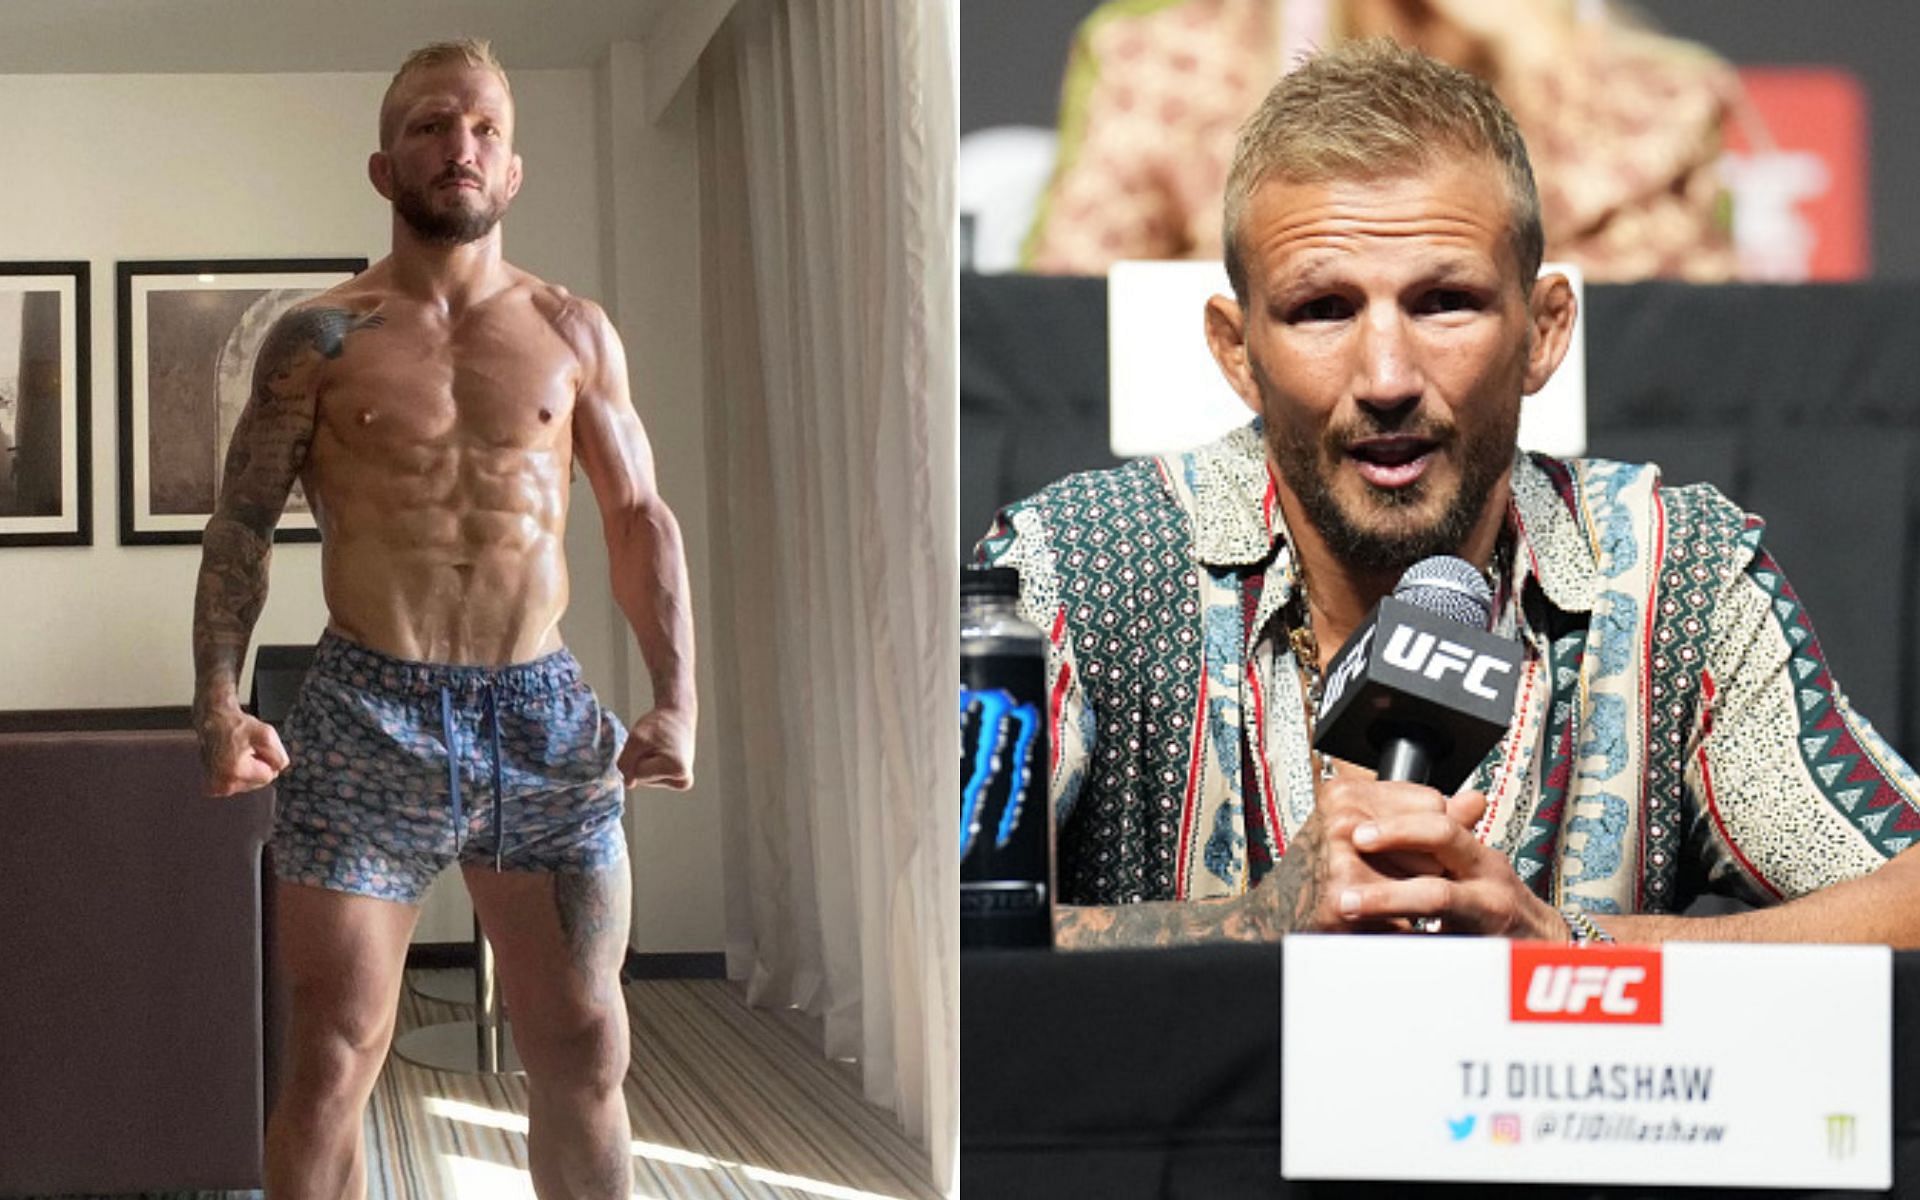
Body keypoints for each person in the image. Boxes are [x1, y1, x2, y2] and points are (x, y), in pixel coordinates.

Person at [977, 39, 1920, 951]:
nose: (1387, 374)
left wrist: (1560, 943)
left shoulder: (1677, 577)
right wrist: (1247, 928)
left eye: (1444, 303)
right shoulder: (1085, 568)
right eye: (1323, 309)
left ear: (1545, 332)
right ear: (1237, 352)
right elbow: (921, 937)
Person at [190, 39, 695, 1200]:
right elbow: (241, 530)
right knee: (332, 1056)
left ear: (512, 171)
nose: (457, 146)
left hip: (542, 714)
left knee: (582, 1047)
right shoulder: (316, 339)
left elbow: (638, 517)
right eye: (428, 126)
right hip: (370, 709)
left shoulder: (576, 332)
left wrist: (679, 696)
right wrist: (218, 699)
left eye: (481, 129)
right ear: (383, 167)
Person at [1023, 0, 1740, 282]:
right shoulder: (1166, 60)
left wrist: (1547, 75)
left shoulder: (1658, 99)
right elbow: (1066, 323)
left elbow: (1669, 348)